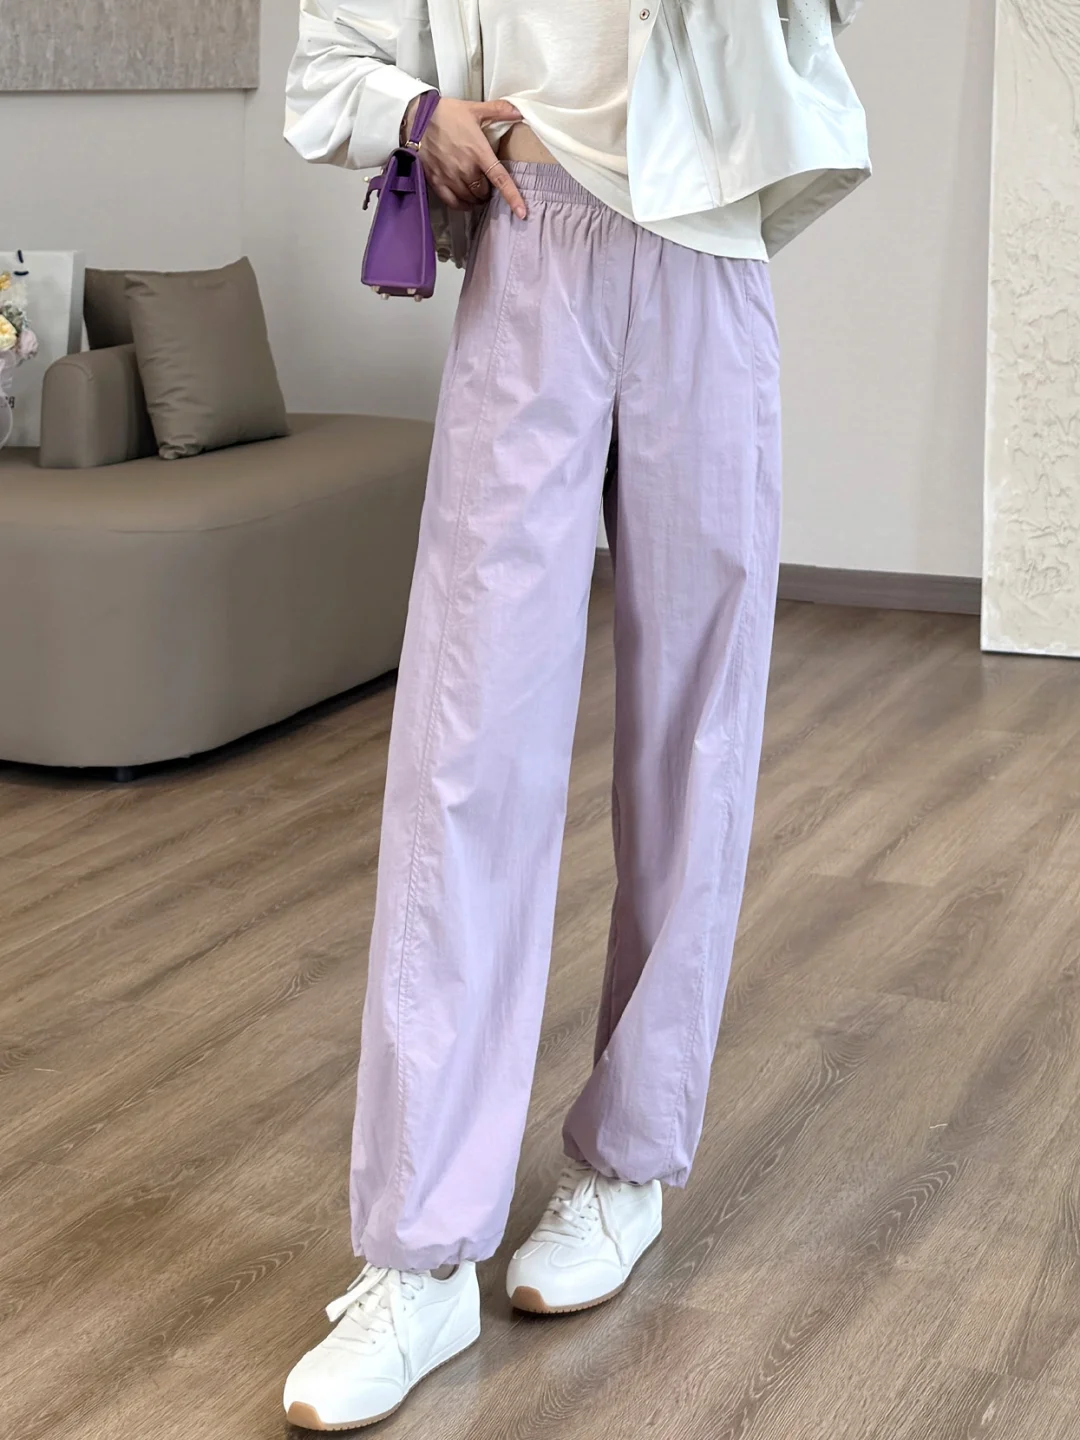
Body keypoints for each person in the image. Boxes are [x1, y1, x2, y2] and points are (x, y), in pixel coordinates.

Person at [281, 0, 870, 1429]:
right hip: (536, 239)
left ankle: (627, 1166)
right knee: (465, 751)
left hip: (709, 248)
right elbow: (328, 60)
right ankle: (419, 1251)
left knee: (694, 735)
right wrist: (416, 115)